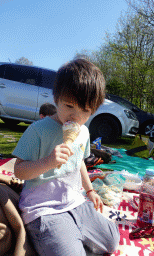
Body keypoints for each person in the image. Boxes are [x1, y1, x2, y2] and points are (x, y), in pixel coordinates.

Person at [13, 58, 120, 256]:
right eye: (69, 105)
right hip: (43, 209)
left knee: (112, 241)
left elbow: (79, 161)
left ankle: (74, 234)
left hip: (75, 201)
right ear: (56, 99)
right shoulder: (38, 130)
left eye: (85, 111)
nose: (75, 117)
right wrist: (48, 162)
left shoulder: (84, 132)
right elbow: (19, 170)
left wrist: (90, 191)